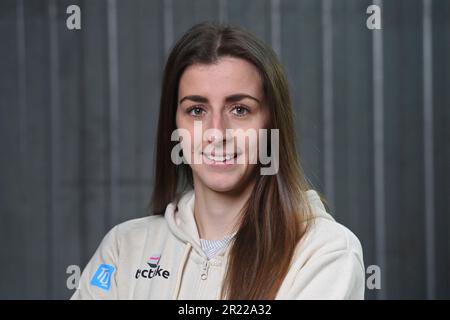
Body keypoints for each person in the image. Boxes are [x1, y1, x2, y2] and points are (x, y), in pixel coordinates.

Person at [71, 22, 364, 300]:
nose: (216, 133)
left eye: (239, 110)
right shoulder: (124, 248)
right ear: (174, 124)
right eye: (196, 110)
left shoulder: (324, 251)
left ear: (271, 123)